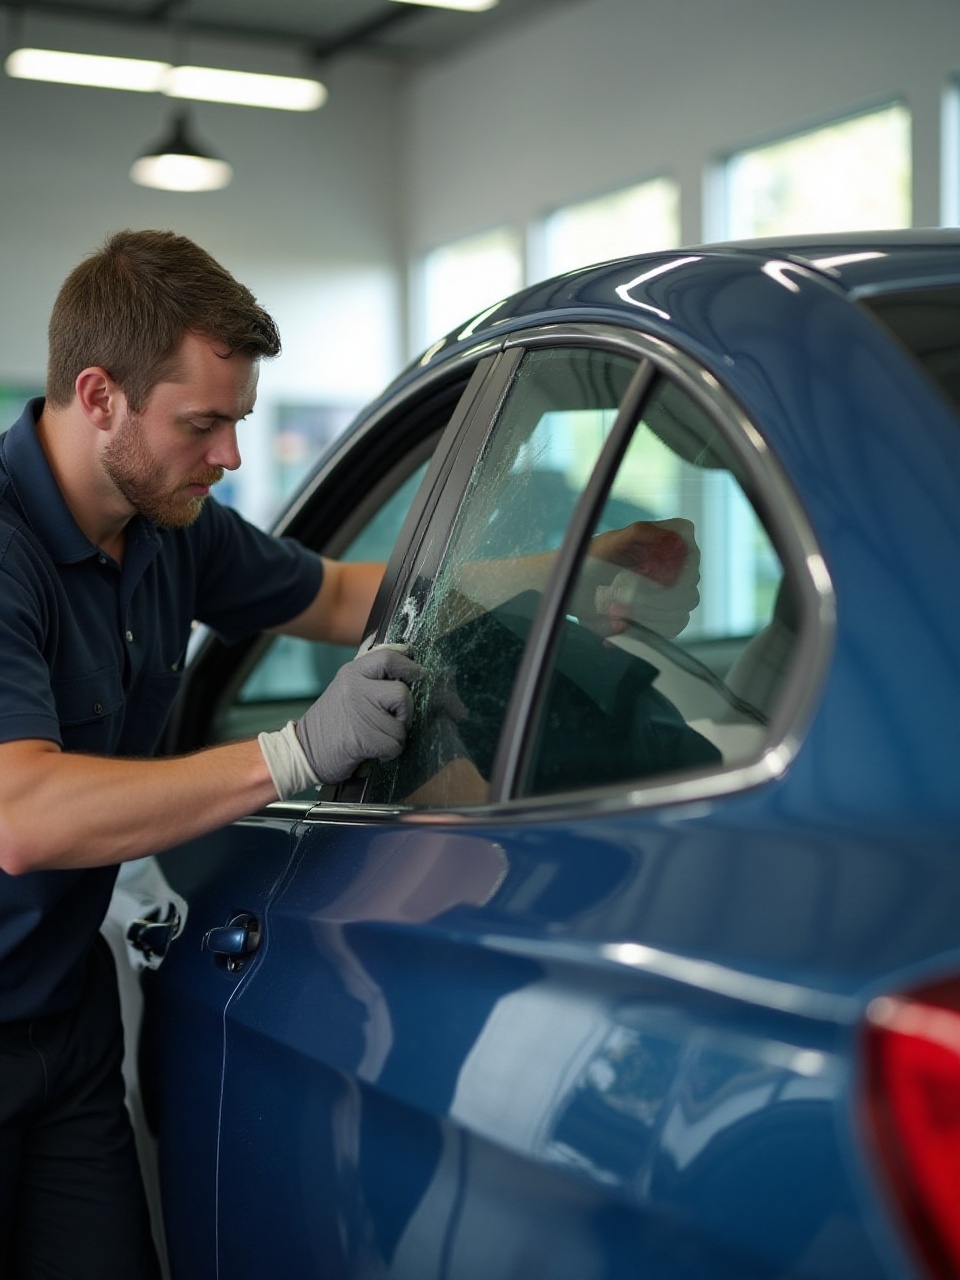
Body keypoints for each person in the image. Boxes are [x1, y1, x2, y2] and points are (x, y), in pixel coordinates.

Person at [0, 229, 422, 1279]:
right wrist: (293, 753)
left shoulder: (170, 527)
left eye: (235, 421)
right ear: (98, 395)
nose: (230, 455)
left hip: (62, 1020)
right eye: (204, 423)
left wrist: (573, 570)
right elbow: (25, 811)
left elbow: (334, 593)